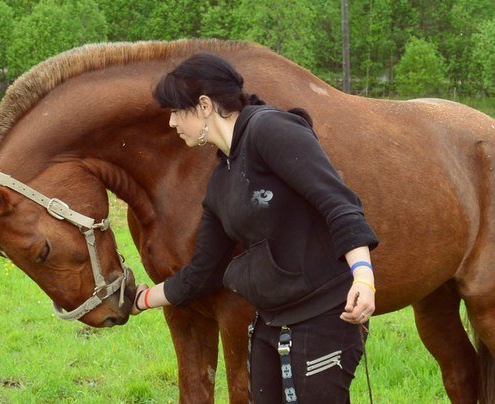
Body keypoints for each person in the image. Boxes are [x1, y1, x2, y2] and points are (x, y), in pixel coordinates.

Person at [131, 53, 379, 403]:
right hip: (270, 324)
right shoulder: (221, 179)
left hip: (324, 317)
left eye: (175, 111)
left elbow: (339, 203)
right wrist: (141, 299)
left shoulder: (272, 130)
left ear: (204, 105)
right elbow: (201, 272)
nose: (171, 123)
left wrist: (364, 277)